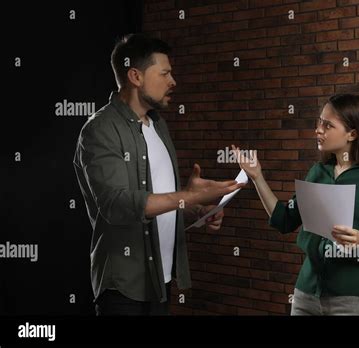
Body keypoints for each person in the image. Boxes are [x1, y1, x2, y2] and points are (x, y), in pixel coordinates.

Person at [73, 33, 244, 315]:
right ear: (135, 76)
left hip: (160, 280)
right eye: (164, 73)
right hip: (123, 288)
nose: (173, 81)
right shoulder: (100, 130)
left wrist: (197, 209)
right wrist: (186, 196)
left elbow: (162, 204)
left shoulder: (158, 125)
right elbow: (116, 205)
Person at [233, 94, 359, 315]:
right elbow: (284, 220)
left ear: (352, 134)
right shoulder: (318, 172)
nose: (318, 130)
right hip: (306, 295)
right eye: (319, 122)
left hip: (354, 298)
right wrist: (257, 177)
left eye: (327, 125)